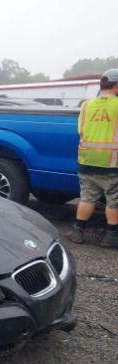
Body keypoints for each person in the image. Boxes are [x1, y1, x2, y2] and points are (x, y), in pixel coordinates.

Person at [70, 68, 118, 247]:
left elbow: (80, 131)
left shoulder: (86, 105)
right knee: (113, 200)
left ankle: (77, 231)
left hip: (87, 160)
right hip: (112, 163)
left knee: (87, 198)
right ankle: (111, 236)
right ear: (116, 85)